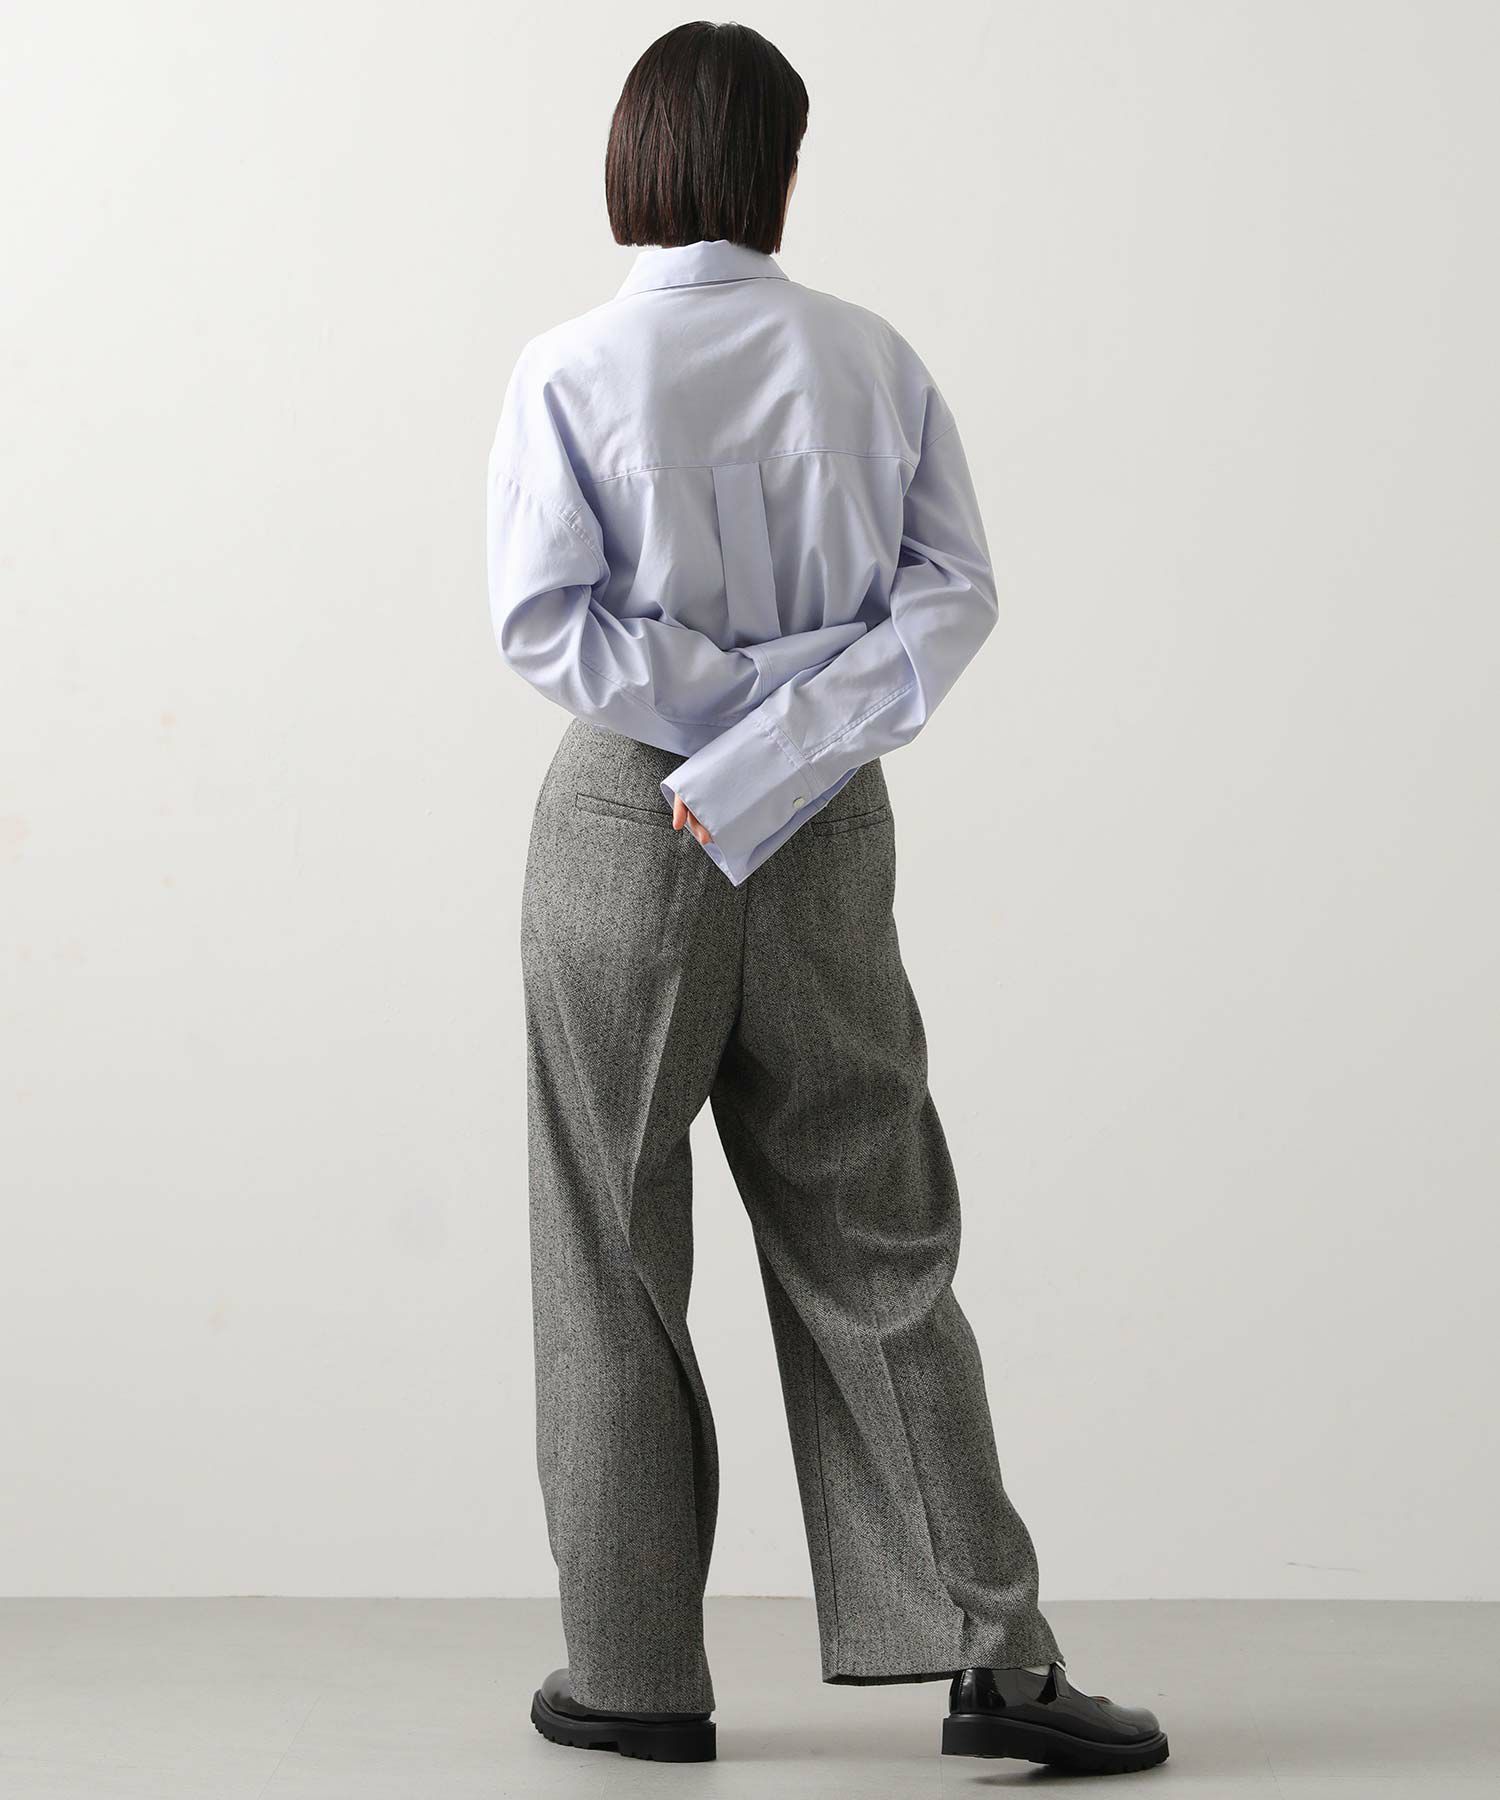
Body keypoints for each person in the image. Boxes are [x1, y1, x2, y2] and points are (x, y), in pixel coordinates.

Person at [485, 19, 1168, 1778]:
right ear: (784, 166)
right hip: (825, 822)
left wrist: (714, 731)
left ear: (632, 156)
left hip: (623, 817)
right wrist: (790, 734)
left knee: (607, 1245)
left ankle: (633, 1679)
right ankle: (996, 1662)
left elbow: (543, 621)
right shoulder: (871, 358)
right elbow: (955, 593)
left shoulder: (568, 366)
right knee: (877, 1227)